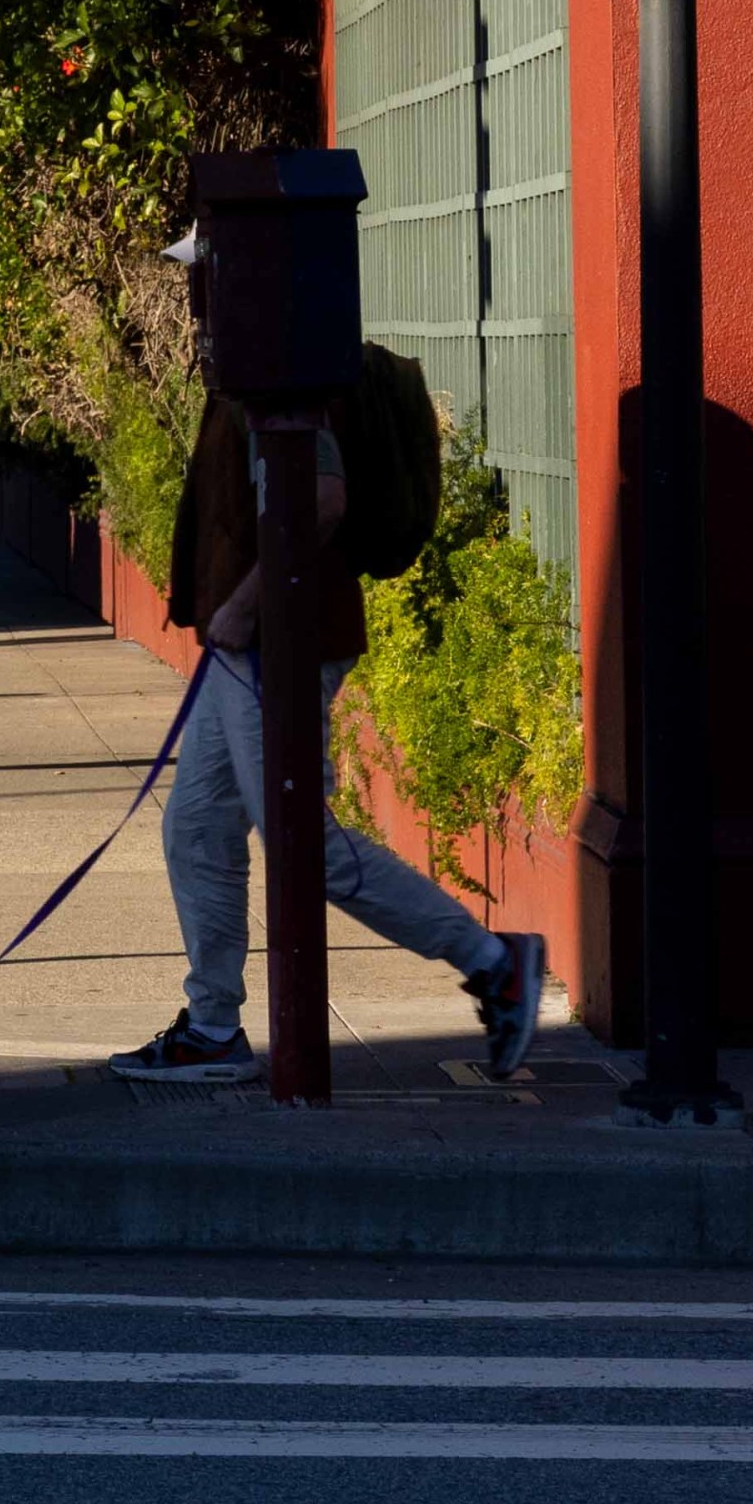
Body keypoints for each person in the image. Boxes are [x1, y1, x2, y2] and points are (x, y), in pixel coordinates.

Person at [116, 384, 544, 1084]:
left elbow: (321, 496)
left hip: (279, 644)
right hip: (248, 646)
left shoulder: (280, 366)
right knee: (195, 827)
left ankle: (495, 965)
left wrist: (248, 605)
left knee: (304, 844)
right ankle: (214, 1026)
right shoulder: (248, 366)